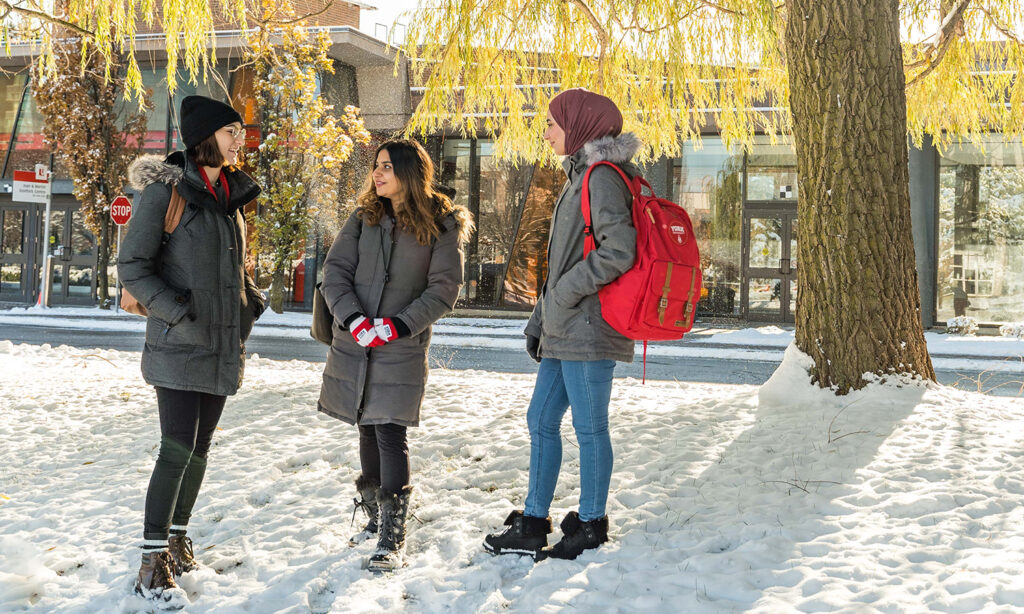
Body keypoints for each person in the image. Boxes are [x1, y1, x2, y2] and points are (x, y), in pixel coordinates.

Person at [483, 88, 641, 561]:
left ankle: (591, 523)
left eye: (553, 123)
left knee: (590, 428)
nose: (547, 131)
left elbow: (619, 251)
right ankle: (534, 522)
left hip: (590, 327)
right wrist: (541, 319)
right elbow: (561, 263)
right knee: (541, 419)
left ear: (579, 125)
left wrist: (567, 294)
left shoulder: (602, 178)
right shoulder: (579, 177)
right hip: (565, 326)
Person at [119, 95, 264, 603]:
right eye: (231, 131)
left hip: (223, 343)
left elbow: (228, 268)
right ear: (205, 135)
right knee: (175, 449)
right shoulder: (165, 193)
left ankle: (177, 539)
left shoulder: (229, 194)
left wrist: (249, 302)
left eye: (241, 132)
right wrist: (177, 311)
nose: (239, 140)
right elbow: (132, 267)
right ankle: (151, 564)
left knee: (200, 450)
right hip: (178, 344)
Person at [317, 139, 472, 572]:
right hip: (356, 341)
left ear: (409, 172)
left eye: (387, 166)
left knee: (389, 431)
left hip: (400, 345)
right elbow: (335, 273)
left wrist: (396, 325)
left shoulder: (442, 224)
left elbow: (444, 289)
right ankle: (373, 516)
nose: (377, 174)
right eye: (376, 166)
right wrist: (353, 319)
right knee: (365, 427)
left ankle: (392, 535)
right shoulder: (363, 218)